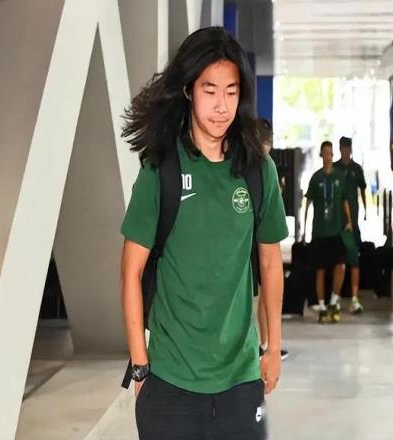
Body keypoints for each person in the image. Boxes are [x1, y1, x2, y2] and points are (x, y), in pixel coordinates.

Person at [120, 27, 288, 439]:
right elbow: (130, 272)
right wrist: (140, 366)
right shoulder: (162, 169)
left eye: (231, 92)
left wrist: (272, 347)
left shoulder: (258, 170)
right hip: (171, 380)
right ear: (188, 91)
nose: (221, 106)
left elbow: (270, 262)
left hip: (240, 379)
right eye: (210, 90)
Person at [304, 141, 353, 323]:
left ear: (333, 155)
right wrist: (303, 227)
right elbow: (308, 202)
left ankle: (334, 300)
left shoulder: (339, 177)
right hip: (320, 232)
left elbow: (344, 200)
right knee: (320, 270)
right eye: (324, 152)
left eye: (330, 153)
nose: (327, 156)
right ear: (321, 155)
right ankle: (322, 306)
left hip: (336, 231)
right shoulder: (316, 178)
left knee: (340, 265)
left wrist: (349, 220)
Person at [256, 119, 289, 361]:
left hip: (261, 243)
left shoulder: (265, 169)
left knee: (264, 292)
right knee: (261, 294)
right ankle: (264, 342)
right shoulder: (256, 167)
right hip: (253, 246)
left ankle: (266, 342)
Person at [334, 136, 366, 314]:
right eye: (343, 148)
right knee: (337, 261)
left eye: (348, 148)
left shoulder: (356, 169)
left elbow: (363, 189)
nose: (346, 151)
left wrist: (366, 211)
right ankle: (335, 297)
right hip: (337, 223)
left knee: (354, 260)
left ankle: (354, 298)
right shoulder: (335, 169)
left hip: (353, 223)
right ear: (340, 149)